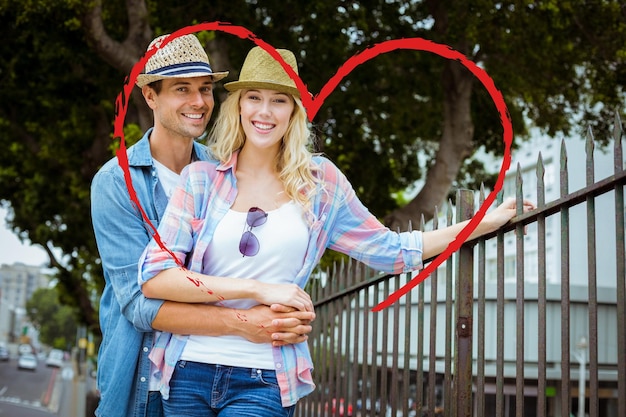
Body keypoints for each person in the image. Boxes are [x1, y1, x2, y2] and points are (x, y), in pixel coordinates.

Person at [138, 46, 535, 416]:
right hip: (188, 368)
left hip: (263, 377)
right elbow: (156, 278)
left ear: (294, 111)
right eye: (254, 97)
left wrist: (483, 221)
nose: (265, 111)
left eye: (279, 100)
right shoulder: (201, 180)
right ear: (239, 105)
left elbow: (393, 251)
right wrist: (258, 290)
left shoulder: (320, 185)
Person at [90, 35, 315, 417]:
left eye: (205, 89)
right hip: (140, 385)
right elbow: (139, 304)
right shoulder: (116, 182)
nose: (198, 102)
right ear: (150, 96)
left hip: (213, 376)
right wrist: (245, 321)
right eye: (182, 89)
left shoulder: (224, 172)